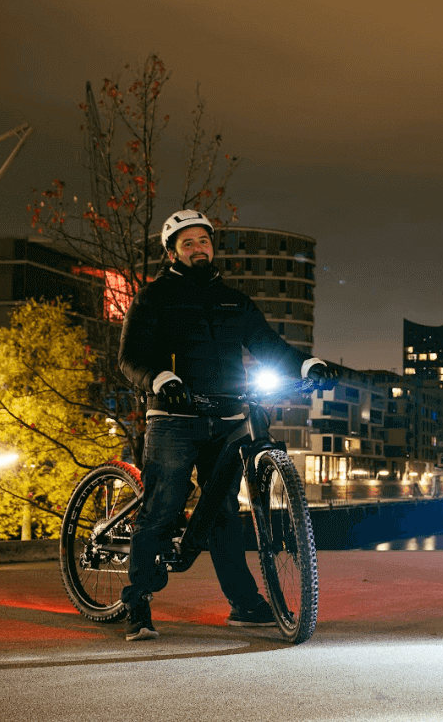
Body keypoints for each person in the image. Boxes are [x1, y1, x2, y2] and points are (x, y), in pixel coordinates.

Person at [118, 209, 334, 641]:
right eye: (188, 243)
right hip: (174, 418)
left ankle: (245, 605)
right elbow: (131, 358)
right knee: (161, 508)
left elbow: (268, 344)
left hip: (228, 416)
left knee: (223, 516)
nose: (198, 248)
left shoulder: (233, 300)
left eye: (204, 241)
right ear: (172, 252)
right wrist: (161, 378)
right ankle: (138, 601)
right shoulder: (154, 297)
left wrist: (307, 363)